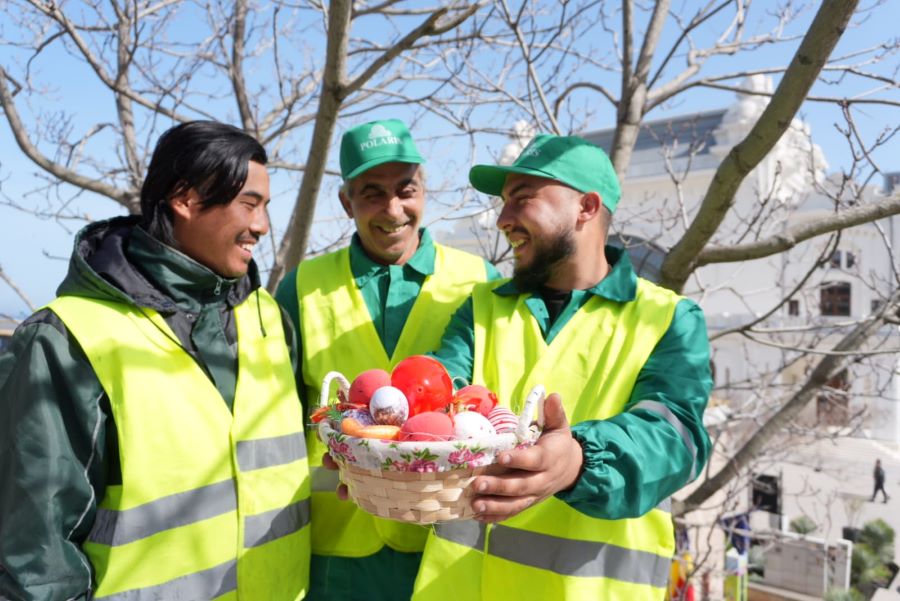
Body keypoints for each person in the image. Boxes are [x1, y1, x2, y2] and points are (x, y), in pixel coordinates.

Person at [0, 121, 310, 601]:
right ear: (184, 199)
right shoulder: (66, 339)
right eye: (249, 204)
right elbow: (37, 556)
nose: (262, 226)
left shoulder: (268, 317)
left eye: (265, 206)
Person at [410, 134, 713, 600]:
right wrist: (382, 440)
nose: (503, 218)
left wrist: (578, 460)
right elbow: (436, 393)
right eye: (504, 202)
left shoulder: (669, 319)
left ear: (586, 207)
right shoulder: (481, 307)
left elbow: (676, 441)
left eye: (522, 198)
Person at [275, 118, 500, 601]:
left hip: (446, 543)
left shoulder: (480, 281)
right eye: (372, 193)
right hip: (338, 548)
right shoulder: (301, 287)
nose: (393, 209)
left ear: (424, 192)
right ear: (346, 203)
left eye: (406, 190)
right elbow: (279, 417)